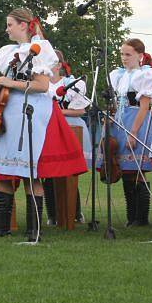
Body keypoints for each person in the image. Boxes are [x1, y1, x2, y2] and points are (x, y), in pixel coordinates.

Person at [0, 8, 87, 242]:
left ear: (23, 25)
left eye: (10, 24)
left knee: (31, 174)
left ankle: (33, 228)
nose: (6, 29)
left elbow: (40, 85)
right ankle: (2, 227)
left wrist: (10, 82)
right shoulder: (8, 52)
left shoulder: (41, 49)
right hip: (9, 111)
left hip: (33, 112)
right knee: (5, 172)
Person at [108, 39, 152, 226]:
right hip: (121, 119)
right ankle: (131, 216)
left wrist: (133, 132)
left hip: (137, 121)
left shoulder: (145, 75)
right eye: (122, 54)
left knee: (137, 169)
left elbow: (144, 106)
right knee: (125, 168)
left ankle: (141, 217)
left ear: (140, 56)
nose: (124, 58)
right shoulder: (118, 75)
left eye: (128, 54)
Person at [43, 49, 92, 225]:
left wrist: (56, 111)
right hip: (47, 129)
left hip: (70, 126)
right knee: (48, 173)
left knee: (69, 172)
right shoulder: (40, 84)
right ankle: (52, 215)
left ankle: (74, 213)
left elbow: (80, 110)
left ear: (58, 65)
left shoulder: (72, 84)